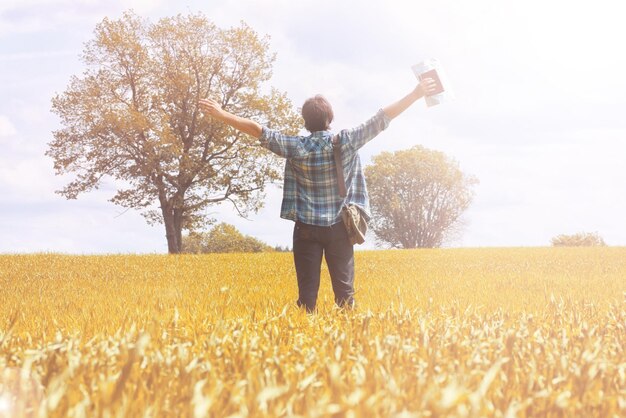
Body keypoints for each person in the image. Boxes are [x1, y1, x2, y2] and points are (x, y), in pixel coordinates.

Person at [199, 77, 438, 312]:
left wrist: (221, 114)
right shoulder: (346, 141)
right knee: (345, 297)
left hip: (306, 230)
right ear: (329, 119)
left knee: (306, 300)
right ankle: (348, 343)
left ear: (305, 121)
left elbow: (259, 131)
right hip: (339, 229)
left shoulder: (295, 147)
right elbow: (381, 118)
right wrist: (416, 94)